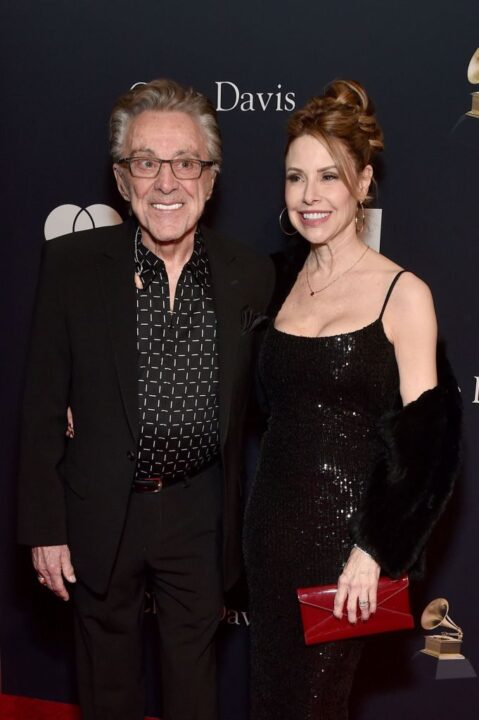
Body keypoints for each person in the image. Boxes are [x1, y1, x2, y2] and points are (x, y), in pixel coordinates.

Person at [17, 78, 274, 720]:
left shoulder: (251, 273)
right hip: (102, 505)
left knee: (194, 689)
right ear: (121, 177)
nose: (167, 183)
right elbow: (43, 405)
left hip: (199, 511)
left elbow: (273, 392)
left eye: (185, 163)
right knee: (108, 688)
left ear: (210, 180)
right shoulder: (72, 265)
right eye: (146, 162)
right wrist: (45, 527)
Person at [243, 79, 461, 719]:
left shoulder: (404, 294)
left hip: (347, 550)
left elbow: (432, 449)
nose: (309, 196)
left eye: (329, 177)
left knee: (316, 705)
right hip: (269, 534)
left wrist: (375, 550)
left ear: (363, 184)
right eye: (295, 178)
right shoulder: (277, 279)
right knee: (271, 700)